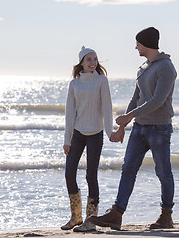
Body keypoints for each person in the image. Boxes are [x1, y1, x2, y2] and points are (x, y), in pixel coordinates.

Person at [89, 27, 177, 230]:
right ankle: (117, 214)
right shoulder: (143, 67)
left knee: (163, 172)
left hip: (159, 128)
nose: (135, 46)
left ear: (145, 43)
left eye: (137, 43)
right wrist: (123, 127)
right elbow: (136, 98)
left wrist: (129, 115)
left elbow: (157, 101)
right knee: (128, 169)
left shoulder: (166, 67)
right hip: (140, 128)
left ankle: (166, 215)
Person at [61, 46, 113, 232]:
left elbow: (107, 108)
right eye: (89, 59)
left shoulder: (101, 81)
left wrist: (110, 132)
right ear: (81, 62)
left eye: (95, 59)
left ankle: (91, 220)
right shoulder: (74, 84)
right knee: (69, 174)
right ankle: (76, 217)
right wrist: (67, 140)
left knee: (91, 176)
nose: (93, 62)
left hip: (95, 134)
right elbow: (69, 114)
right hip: (77, 134)